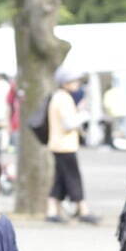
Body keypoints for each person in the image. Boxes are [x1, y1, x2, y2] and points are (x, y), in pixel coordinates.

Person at [46, 70, 98, 224]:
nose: (77, 84)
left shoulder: (60, 97)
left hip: (60, 144)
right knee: (73, 177)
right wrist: (83, 114)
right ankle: (83, 209)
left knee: (60, 179)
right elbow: (68, 123)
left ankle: (52, 210)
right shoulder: (63, 99)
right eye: (74, 81)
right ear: (65, 83)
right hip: (64, 145)